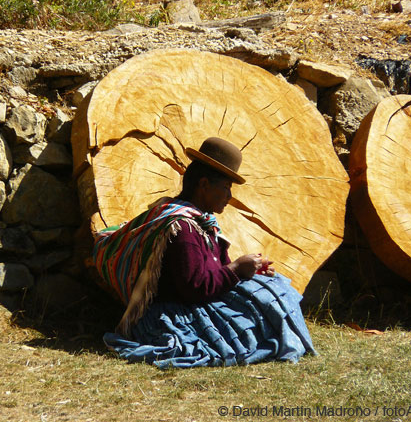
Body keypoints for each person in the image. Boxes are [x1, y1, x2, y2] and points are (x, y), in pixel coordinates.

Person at [96, 137, 316, 368]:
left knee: (273, 286)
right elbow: (194, 287)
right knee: (262, 302)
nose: (229, 197)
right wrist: (236, 269)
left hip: (199, 301)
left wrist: (251, 271)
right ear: (203, 185)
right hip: (177, 312)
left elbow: (219, 271)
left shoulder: (203, 222)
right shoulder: (182, 229)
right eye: (225, 187)